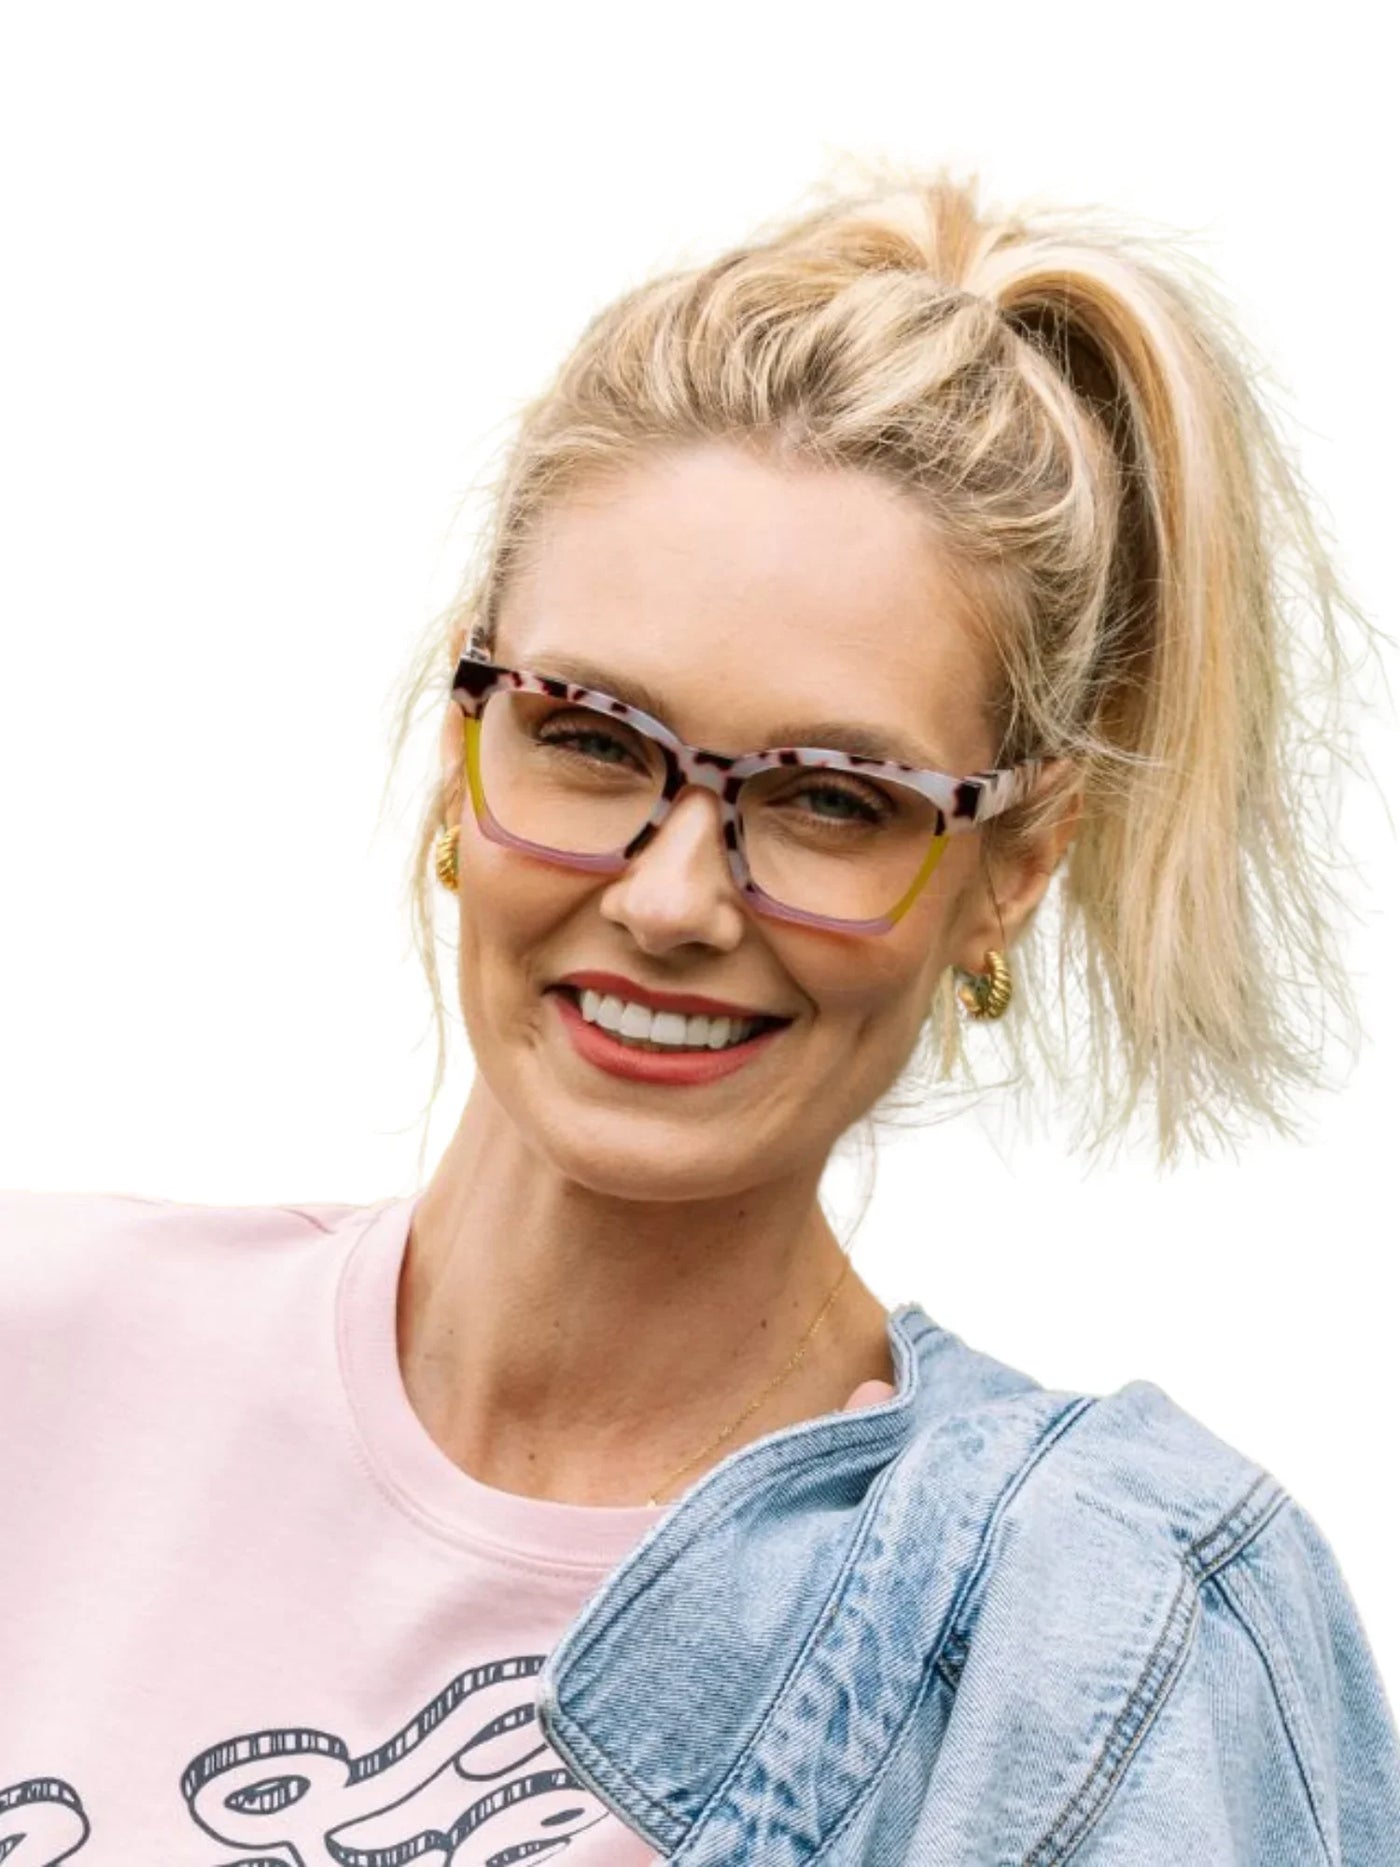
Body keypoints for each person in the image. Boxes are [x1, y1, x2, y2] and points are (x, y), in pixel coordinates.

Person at [2, 167, 1396, 1864]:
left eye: (829, 798)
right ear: (469, 738)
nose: (672, 901)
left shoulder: (1089, 1644)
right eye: (591, 739)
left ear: (1013, 868)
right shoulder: (40, 1360)